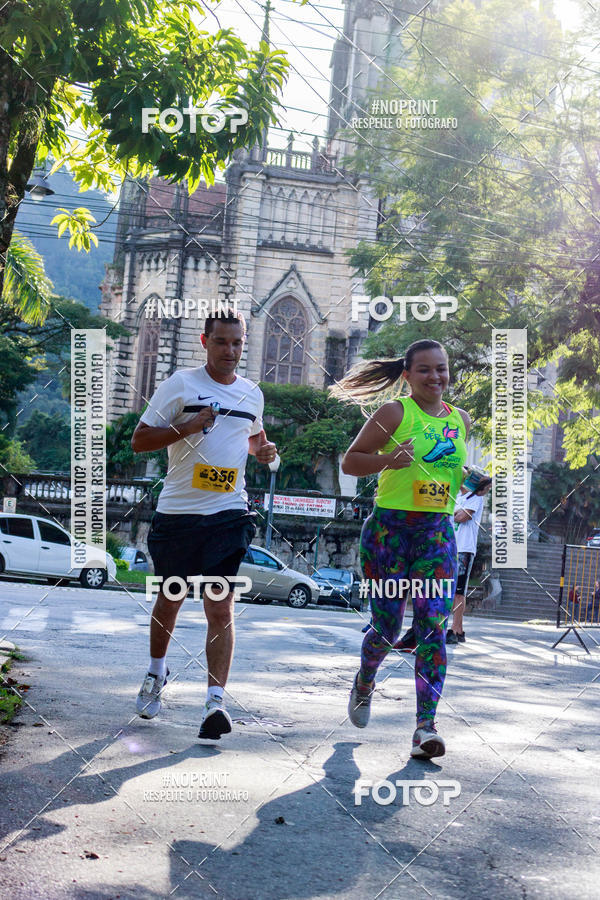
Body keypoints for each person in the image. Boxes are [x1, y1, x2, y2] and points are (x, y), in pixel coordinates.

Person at [131, 309, 277, 739]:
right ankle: (157, 673)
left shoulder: (252, 394)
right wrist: (189, 426)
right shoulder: (182, 384)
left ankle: (215, 703)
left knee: (220, 605)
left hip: (229, 515)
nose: (229, 351)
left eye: (237, 343)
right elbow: (140, 440)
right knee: (170, 598)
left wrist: (267, 454)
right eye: (221, 342)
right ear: (204, 341)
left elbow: (254, 440)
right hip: (178, 513)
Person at [332, 339, 470, 759]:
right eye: (425, 370)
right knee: (388, 628)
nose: (436, 377)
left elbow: (448, 469)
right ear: (407, 376)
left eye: (442, 369)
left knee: (432, 628)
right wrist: (389, 461)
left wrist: (465, 482)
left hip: (436, 534)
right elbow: (351, 462)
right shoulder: (395, 412)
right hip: (389, 534)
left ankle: (425, 728)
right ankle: (365, 680)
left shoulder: (461, 419)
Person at [446, 473, 492, 644]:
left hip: (464, 549)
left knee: (459, 592)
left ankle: (454, 630)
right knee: (450, 589)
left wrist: (454, 512)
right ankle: (459, 630)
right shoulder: (457, 497)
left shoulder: (475, 499)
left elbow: (460, 517)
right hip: (451, 546)